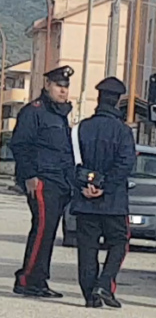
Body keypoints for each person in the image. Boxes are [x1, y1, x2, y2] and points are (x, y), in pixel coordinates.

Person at [11, 66, 75, 298]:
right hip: (42, 179)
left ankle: (38, 280)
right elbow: (20, 144)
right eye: (59, 86)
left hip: (59, 181)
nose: (63, 91)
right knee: (42, 231)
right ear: (47, 85)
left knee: (48, 233)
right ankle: (27, 279)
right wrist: (29, 176)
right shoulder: (34, 111)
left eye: (66, 87)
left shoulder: (60, 114)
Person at [71, 77, 136, 309]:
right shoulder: (123, 132)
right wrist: (105, 187)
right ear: (118, 101)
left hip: (84, 201)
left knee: (87, 248)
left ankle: (90, 296)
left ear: (98, 99)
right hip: (114, 203)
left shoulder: (80, 129)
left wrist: (85, 186)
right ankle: (105, 284)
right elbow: (126, 164)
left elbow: (70, 163)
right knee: (119, 242)